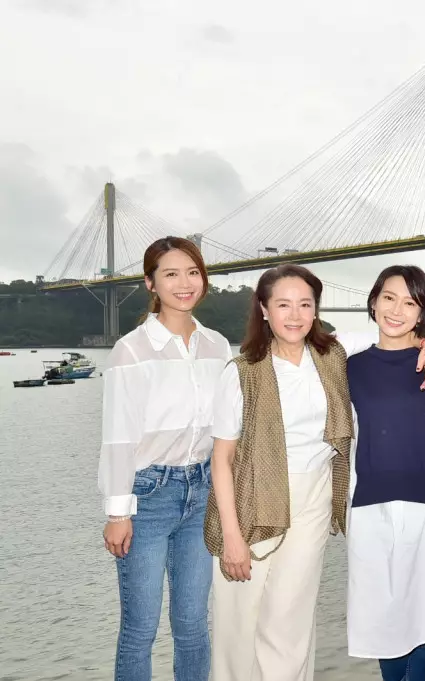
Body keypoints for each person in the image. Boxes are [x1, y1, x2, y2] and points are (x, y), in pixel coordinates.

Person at [205, 264, 425, 681]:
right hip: (250, 501)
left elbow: (393, 329)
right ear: (264, 310)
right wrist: (231, 537)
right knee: (237, 627)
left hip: (314, 502)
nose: (295, 315)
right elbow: (221, 459)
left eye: (305, 304)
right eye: (283, 305)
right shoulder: (241, 371)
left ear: (316, 310)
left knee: (290, 624)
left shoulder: (332, 355)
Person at [99, 236, 232, 680]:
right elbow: (118, 437)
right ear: (150, 283)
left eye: (193, 272)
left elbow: (227, 428)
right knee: (140, 628)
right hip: (148, 496)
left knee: (193, 625)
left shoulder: (217, 345)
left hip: (202, 493)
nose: (184, 283)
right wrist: (118, 512)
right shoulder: (131, 350)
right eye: (170, 274)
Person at [345, 265, 425, 681]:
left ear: (422, 313)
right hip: (369, 503)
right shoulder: (350, 366)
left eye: (410, 303)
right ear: (373, 302)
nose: (397, 310)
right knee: (385, 617)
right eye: (389, 298)